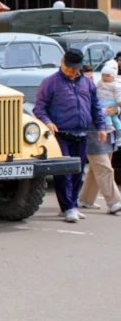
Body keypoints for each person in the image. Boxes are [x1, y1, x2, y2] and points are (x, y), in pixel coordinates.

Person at [33, 49, 110, 222]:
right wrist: (47, 122)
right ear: (62, 62)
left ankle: (72, 205)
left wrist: (101, 127)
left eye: (74, 69)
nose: (71, 71)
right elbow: (39, 107)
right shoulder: (50, 82)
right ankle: (67, 207)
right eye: (68, 68)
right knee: (63, 174)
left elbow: (96, 107)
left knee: (77, 172)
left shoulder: (88, 84)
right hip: (60, 134)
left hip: (81, 133)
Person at [80, 59, 121, 213]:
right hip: (91, 133)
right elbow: (85, 112)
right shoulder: (79, 92)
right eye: (87, 78)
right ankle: (114, 202)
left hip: (107, 132)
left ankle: (85, 199)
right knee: (104, 168)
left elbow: (115, 106)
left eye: (92, 78)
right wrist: (106, 111)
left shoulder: (97, 89)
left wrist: (115, 110)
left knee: (95, 168)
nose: (91, 81)